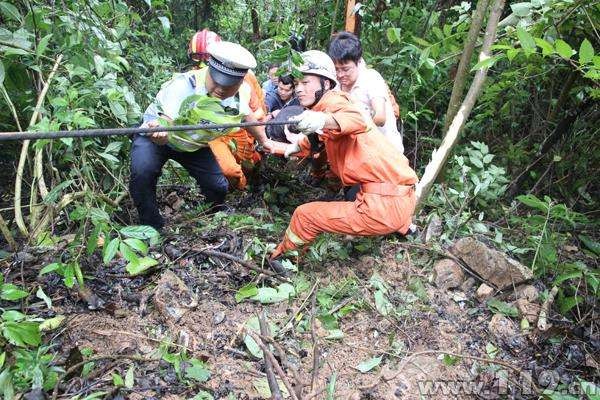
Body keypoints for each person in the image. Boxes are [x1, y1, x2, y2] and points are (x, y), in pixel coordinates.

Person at [268, 50, 418, 265]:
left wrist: (322, 119)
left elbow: (355, 119)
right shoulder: (322, 108)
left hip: (384, 205)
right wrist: (290, 148)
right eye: (297, 83)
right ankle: (403, 227)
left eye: (306, 82)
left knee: (305, 215)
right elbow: (318, 141)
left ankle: (284, 262)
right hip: (402, 199)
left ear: (326, 84)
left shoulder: (335, 102)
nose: (299, 89)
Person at [129, 41, 271, 229]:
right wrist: (160, 133)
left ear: (240, 82)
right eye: (216, 81)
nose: (220, 89)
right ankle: (152, 226)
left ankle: (214, 214)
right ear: (209, 70)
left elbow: (247, 116)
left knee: (217, 187)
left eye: (227, 85)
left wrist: (264, 140)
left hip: (193, 145)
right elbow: (166, 122)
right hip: (158, 139)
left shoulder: (242, 92)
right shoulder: (185, 85)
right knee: (142, 171)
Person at [187, 29, 267, 190]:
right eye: (197, 58)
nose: (201, 63)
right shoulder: (193, 79)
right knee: (230, 171)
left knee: (251, 164)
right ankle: (239, 193)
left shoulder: (243, 76)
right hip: (214, 135)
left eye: (206, 58)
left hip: (241, 133)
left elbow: (259, 112)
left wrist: (235, 119)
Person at [328, 31, 404, 154]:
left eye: (346, 69)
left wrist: (351, 127)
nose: (340, 74)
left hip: (386, 152)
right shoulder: (336, 85)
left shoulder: (371, 78)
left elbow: (380, 117)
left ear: (358, 62)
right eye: (337, 69)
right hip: (359, 155)